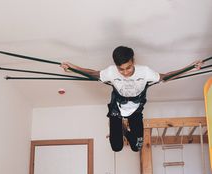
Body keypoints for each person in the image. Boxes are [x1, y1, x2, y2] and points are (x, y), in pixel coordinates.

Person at [61, 46, 202, 152]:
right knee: (116, 147)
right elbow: (93, 74)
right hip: (117, 108)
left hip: (135, 110)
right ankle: (119, 126)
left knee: (137, 147)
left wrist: (190, 68)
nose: (125, 72)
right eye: (121, 69)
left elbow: (166, 77)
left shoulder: (145, 71)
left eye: (128, 68)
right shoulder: (111, 71)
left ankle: (124, 130)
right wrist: (72, 68)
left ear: (133, 61)